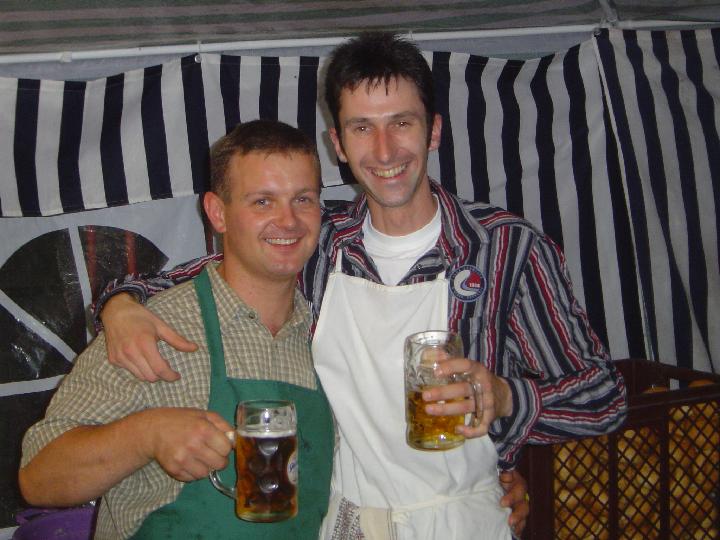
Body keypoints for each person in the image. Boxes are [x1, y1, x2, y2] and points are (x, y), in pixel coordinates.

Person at [95, 32, 627, 539]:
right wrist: (120, 302)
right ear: (339, 144)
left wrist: (506, 396)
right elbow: (210, 272)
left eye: (402, 123)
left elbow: (604, 397)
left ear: (433, 131)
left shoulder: (504, 248)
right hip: (345, 520)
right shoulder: (320, 242)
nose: (385, 150)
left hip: (463, 520)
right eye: (362, 128)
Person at [19, 120, 335, 539]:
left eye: (303, 199)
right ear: (217, 213)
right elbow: (39, 477)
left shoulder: (326, 334)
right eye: (262, 201)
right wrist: (145, 435)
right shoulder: (154, 331)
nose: (288, 220)